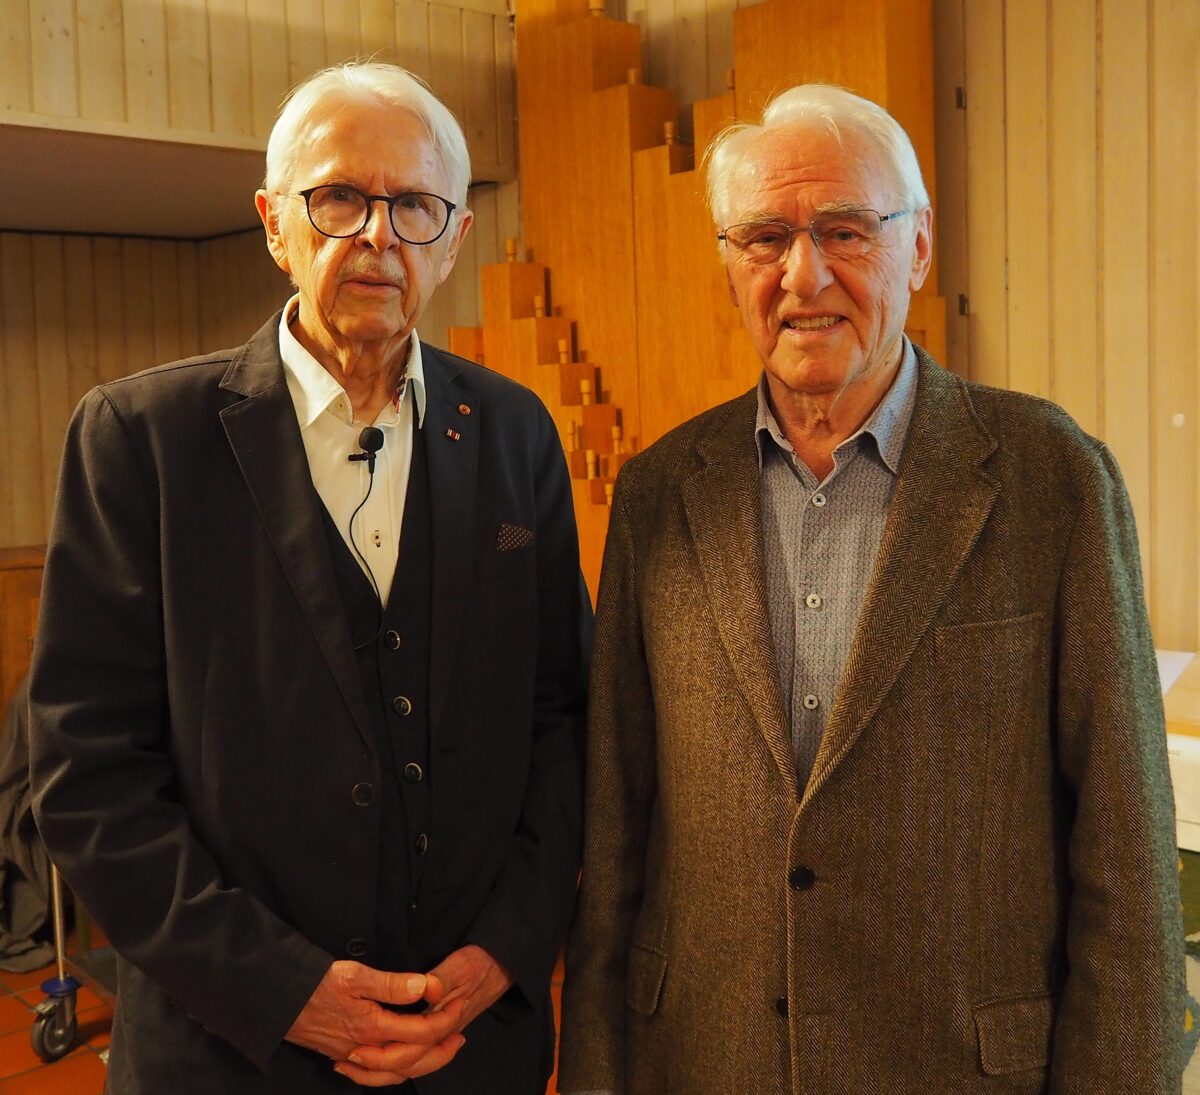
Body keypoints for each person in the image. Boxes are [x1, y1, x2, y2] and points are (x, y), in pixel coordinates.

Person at [557, 84, 1183, 1094]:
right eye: (764, 237)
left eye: (846, 230)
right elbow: (616, 840)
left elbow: (1126, 855)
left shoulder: (1049, 477)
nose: (804, 274)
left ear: (918, 248)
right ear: (728, 264)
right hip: (707, 1065)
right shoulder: (661, 493)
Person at [28, 61, 589, 1094]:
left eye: (415, 204)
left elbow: (561, 720)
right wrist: (290, 992)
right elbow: (89, 777)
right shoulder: (141, 441)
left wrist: (504, 951)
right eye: (340, 198)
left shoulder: (517, 432)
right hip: (230, 1050)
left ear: (455, 238)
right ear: (277, 225)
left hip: (470, 1047)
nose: (378, 235)